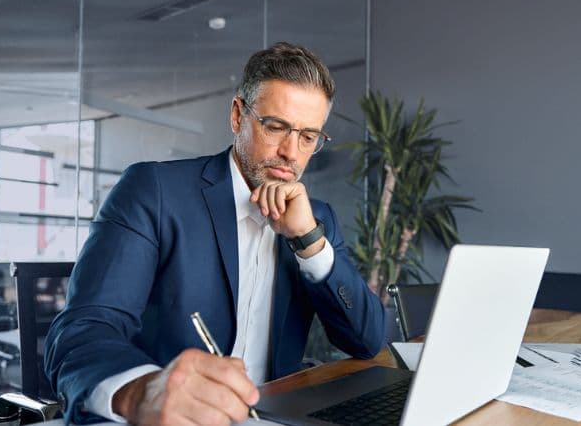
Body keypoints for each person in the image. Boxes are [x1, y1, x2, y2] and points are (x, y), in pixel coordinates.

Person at [44, 42, 385, 425]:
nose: (292, 152)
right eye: (276, 127)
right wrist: (142, 390)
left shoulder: (316, 218)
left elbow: (368, 339)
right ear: (239, 115)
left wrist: (308, 241)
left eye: (308, 137)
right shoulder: (154, 191)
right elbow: (81, 331)